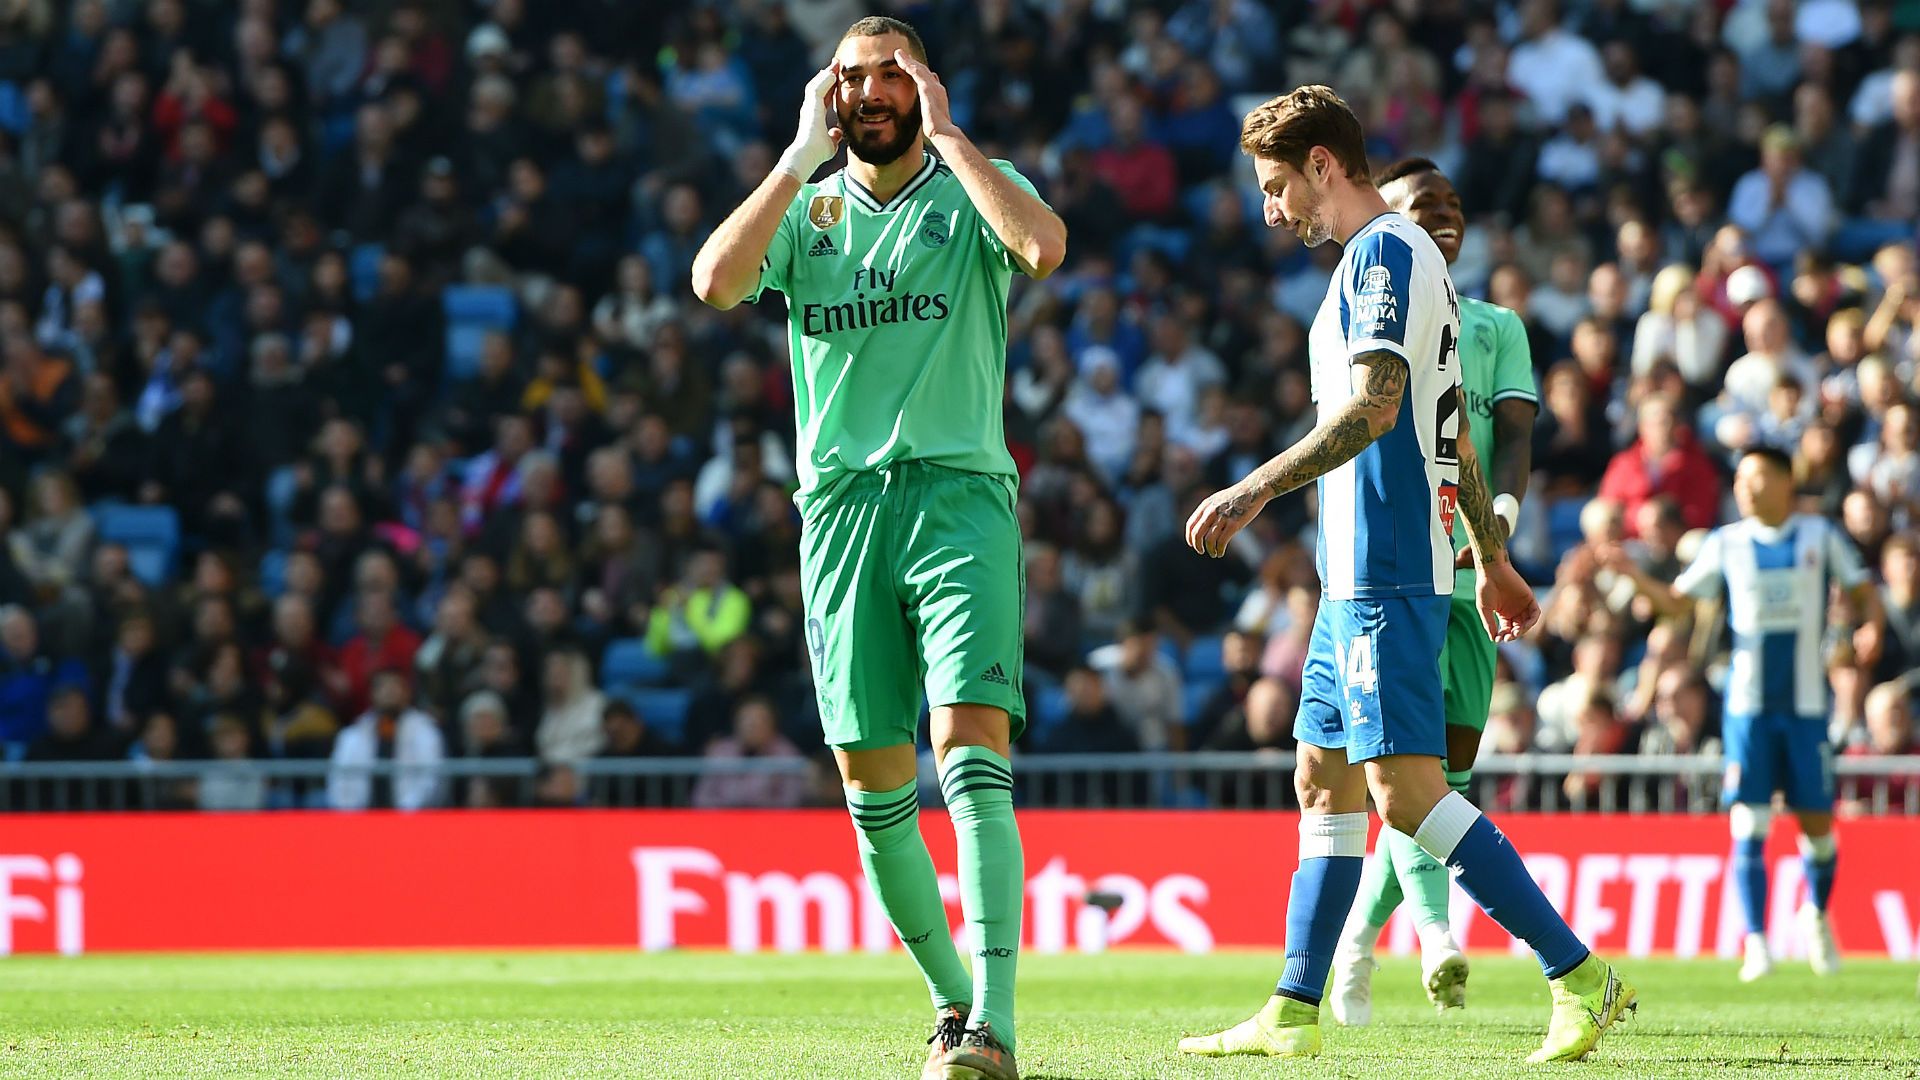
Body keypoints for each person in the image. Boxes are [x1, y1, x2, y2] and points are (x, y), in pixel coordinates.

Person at [1176, 87, 1632, 1066]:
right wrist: (1494, 558)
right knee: (1321, 780)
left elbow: (1379, 408)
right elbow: (1450, 425)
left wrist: (1252, 488)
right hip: (1350, 579)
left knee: (1409, 795)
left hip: (1385, 569)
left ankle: (1580, 977)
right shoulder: (1379, 265)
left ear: (1324, 166)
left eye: (1276, 187)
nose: (1272, 211)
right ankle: (1293, 1009)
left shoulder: (1386, 255)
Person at [689, 16, 1065, 1079]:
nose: (871, 92)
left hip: (958, 499)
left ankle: (995, 1024)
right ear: (831, 93)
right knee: (870, 778)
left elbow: (1043, 249)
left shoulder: (975, 185)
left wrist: (951, 138)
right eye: (853, 76)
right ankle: (951, 999)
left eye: (892, 74)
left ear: (924, 85)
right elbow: (714, 282)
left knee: (971, 748)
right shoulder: (807, 210)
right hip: (842, 512)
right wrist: (791, 157)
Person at [1330, 158, 1538, 1024]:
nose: (1444, 214)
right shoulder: (1368, 311)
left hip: (1477, 570)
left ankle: (1353, 943)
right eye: (1424, 204)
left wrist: (1499, 534)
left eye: (1453, 202)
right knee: (1420, 778)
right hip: (1404, 571)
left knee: (1439, 783)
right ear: (1390, 216)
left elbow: (1512, 434)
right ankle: (1435, 932)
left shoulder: (1497, 325)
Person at [1603, 446, 1882, 983]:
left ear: (1786, 480)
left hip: (1806, 707)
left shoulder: (1819, 536)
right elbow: (1678, 602)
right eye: (1740, 480)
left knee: (1818, 827)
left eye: (1757, 477)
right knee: (1749, 821)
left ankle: (1816, 914)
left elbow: (1862, 589)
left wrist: (1869, 626)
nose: (1746, 488)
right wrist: (1633, 575)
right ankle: (1756, 941)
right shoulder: (1726, 543)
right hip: (1747, 708)